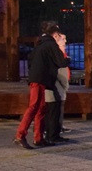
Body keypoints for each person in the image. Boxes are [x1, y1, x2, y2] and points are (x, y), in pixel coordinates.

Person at [15, 21, 69, 149]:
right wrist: (67, 58)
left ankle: (38, 138)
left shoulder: (39, 44)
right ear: (55, 34)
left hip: (36, 78)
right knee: (34, 107)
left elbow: (30, 59)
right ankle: (20, 135)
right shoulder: (51, 44)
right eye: (58, 35)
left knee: (41, 108)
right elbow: (61, 62)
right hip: (40, 80)